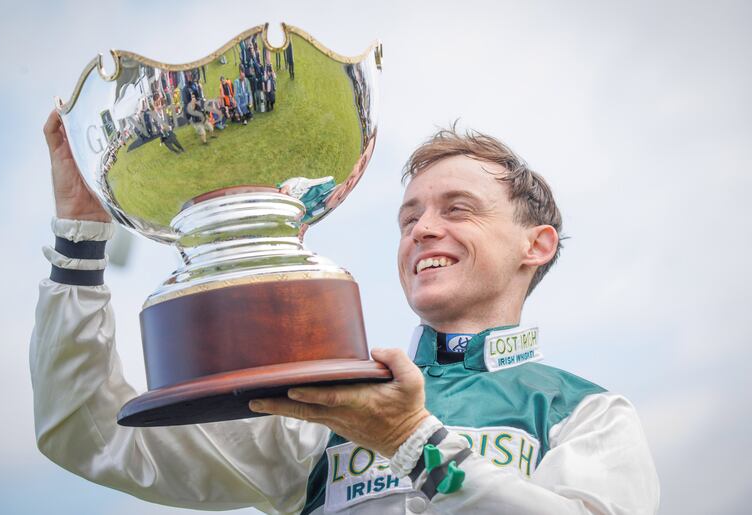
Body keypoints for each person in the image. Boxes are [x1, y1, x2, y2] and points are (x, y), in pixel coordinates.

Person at [33, 115, 660, 514]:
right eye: (409, 218)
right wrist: (79, 245)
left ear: (537, 245)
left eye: (458, 210)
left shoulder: (587, 413)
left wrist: (410, 442)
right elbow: (88, 433)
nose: (423, 231)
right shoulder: (325, 403)